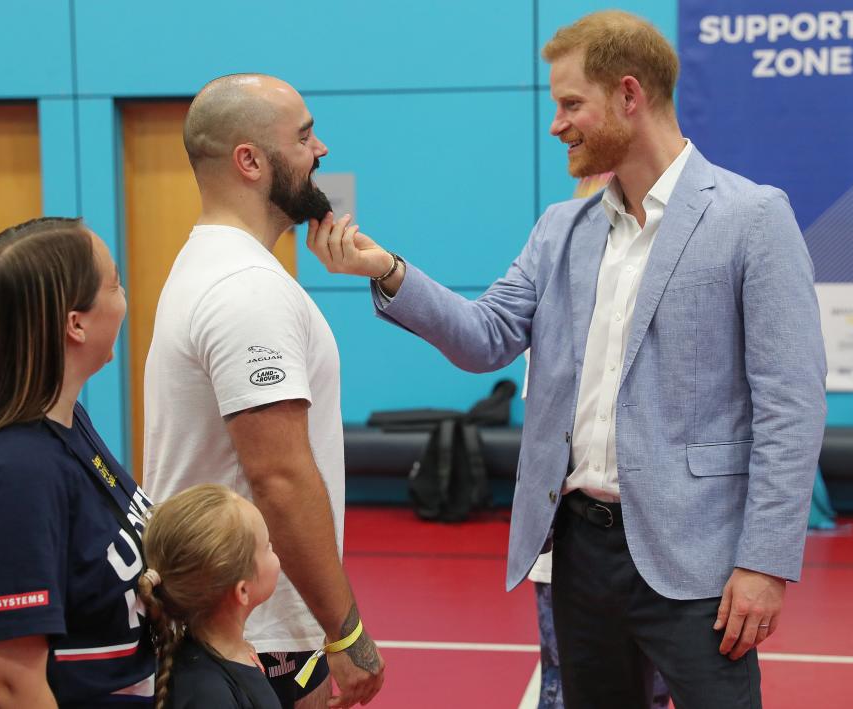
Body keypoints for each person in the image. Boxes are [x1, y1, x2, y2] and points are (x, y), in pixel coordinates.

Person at [306, 10, 826, 708]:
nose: (557, 123)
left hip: (697, 563)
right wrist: (390, 269)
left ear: (629, 96)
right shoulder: (562, 229)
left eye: (571, 103)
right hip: (579, 557)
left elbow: (791, 405)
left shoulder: (753, 217)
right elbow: (485, 335)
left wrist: (764, 562)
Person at [142, 74, 383, 709]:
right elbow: (279, 473)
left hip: (236, 618)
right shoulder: (246, 289)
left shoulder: (215, 264)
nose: (321, 149)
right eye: (304, 136)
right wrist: (346, 630)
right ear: (250, 161)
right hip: (255, 628)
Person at [0, 217, 155, 707]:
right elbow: (9, 687)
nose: (124, 295)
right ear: (77, 323)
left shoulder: (67, 422)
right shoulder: (14, 475)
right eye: (114, 282)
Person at [137, 484, 283, 709]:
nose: (274, 548)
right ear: (242, 591)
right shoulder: (207, 694)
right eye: (267, 546)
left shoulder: (235, 652)